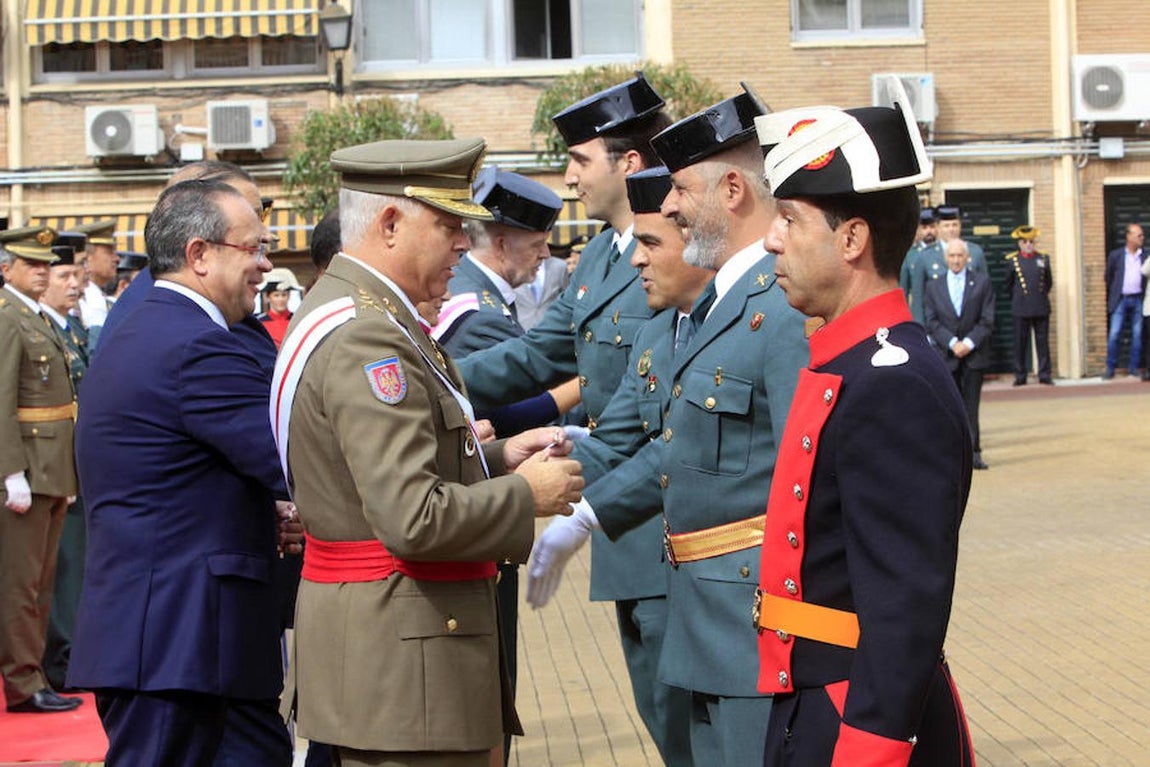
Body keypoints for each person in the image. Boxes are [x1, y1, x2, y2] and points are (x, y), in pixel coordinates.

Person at [273, 137, 584, 767]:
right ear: (390, 224)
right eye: (448, 226)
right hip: (403, 661)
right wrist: (526, 494)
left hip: (398, 652)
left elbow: (376, 473)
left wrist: (495, 460)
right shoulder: (368, 336)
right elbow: (410, 517)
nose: (464, 244)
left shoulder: (367, 313)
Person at [455, 74, 677, 757]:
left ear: (629, 163)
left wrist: (582, 506)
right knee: (661, 715)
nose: (570, 177)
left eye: (580, 160)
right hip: (616, 511)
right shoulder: (604, 256)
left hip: (659, 514)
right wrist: (430, 381)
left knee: (687, 723)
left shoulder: (672, 249)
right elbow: (536, 355)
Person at [755, 100, 975, 766]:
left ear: (851, 239)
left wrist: (868, 751)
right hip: (817, 700)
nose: (771, 240)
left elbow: (905, 605)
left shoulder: (893, 380)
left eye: (789, 219)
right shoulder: (852, 361)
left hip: (859, 715)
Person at [68, 180, 298, 766]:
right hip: (176, 642)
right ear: (199, 254)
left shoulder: (154, 326)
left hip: (187, 639)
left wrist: (270, 508)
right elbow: (291, 462)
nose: (266, 265)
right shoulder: (196, 345)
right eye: (254, 248)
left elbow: (183, 471)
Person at [645, 87, 808, 766]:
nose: (669, 206)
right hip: (704, 616)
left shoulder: (784, 306)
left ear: (733, 189)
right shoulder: (719, 300)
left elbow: (807, 486)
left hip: (755, 627)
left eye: (681, 188)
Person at [526, 165, 710, 767]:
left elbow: (680, 443)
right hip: (644, 556)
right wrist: (505, 472)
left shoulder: (741, 322)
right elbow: (613, 441)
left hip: (709, 576)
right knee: (670, 732)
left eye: (651, 242)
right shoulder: (660, 332)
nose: (636, 259)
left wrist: (584, 514)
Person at [431, 165, 572, 763]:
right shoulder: (475, 310)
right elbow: (511, 402)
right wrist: (587, 383)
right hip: (474, 509)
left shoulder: (480, 295)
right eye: (536, 245)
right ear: (500, 241)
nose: (544, 257)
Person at [0, 226, 82, 714]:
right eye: (30, 264)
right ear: (6, 268)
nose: (42, 272)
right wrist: (10, 472)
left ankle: (34, 673)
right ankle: (22, 681)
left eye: (44, 264)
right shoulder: (8, 318)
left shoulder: (34, 316)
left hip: (50, 469)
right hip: (27, 469)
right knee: (21, 584)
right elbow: (3, 400)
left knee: (42, 583)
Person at [36, 233, 91, 692]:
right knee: (60, 565)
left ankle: (70, 650)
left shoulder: (68, 328)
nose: (75, 283)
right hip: (49, 463)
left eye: (77, 274)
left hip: (72, 460)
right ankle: (59, 655)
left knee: (74, 561)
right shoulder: (35, 326)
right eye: (64, 275)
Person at [925, 239, 995, 470]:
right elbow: (931, 321)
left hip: (974, 356)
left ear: (967, 258)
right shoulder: (933, 287)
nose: (956, 260)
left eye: (959, 256)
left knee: (971, 407)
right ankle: (951, 455)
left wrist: (969, 343)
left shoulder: (982, 283)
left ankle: (973, 453)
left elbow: (987, 319)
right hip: (947, 356)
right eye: (952, 256)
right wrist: (952, 342)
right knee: (948, 407)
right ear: (946, 258)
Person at [1004, 224, 1054, 385]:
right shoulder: (1013, 261)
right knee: (1020, 343)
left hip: (1040, 306)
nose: (1028, 245)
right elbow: (1008, 285)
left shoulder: (1043, 259)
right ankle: (1020, 375)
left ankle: (1044, 374)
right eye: (1025, 242)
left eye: (1031, 241)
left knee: (1043, 343)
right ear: (1019, 243)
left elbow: (1048, 282)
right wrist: (1018, 298)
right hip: (1021, 306)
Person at [1104, 223, 1145, 378]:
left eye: (1142, 235)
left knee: (1137, 334)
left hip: (1138, 298)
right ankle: (1110, 368)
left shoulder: (1145, 255)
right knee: (1114, 333)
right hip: (1120, 298)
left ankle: (1133, 367)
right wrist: (1115, 291)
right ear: (1128, 236)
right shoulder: (1116, 255)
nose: (1142, 238)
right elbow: (1108, 276)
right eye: (1138, 235)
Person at [73, 219, 120, 346]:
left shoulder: (103, 301)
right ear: (88, 257)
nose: (117, 258)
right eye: (109, 252)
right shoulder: (76, 302)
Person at [899, 207, 943, 325]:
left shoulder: (945, 252)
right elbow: (904, 290)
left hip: (942, 315)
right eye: (925, 228)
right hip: (919, 314)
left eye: (932, 227)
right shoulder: (910, 255)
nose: (929, 231)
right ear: (918, 230)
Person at [514, 254, 571, 330]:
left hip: (551, 329)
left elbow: (567, 300)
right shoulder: (512, 266)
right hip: (520, 330)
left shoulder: (559, 266)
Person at [256, 267, 303, 349]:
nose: (280, 299)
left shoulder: (298, 320)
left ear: (289, 296)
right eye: (276, 295)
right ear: (268, 298)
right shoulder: (259, 322)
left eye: (284, 295)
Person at [936, 205, 987, 274]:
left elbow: (983, 279)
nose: (951, 229)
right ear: (938, 227)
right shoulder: (927, 255)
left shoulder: (975, 252)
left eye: (954, 225)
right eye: (946, 226)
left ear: (960, 226)